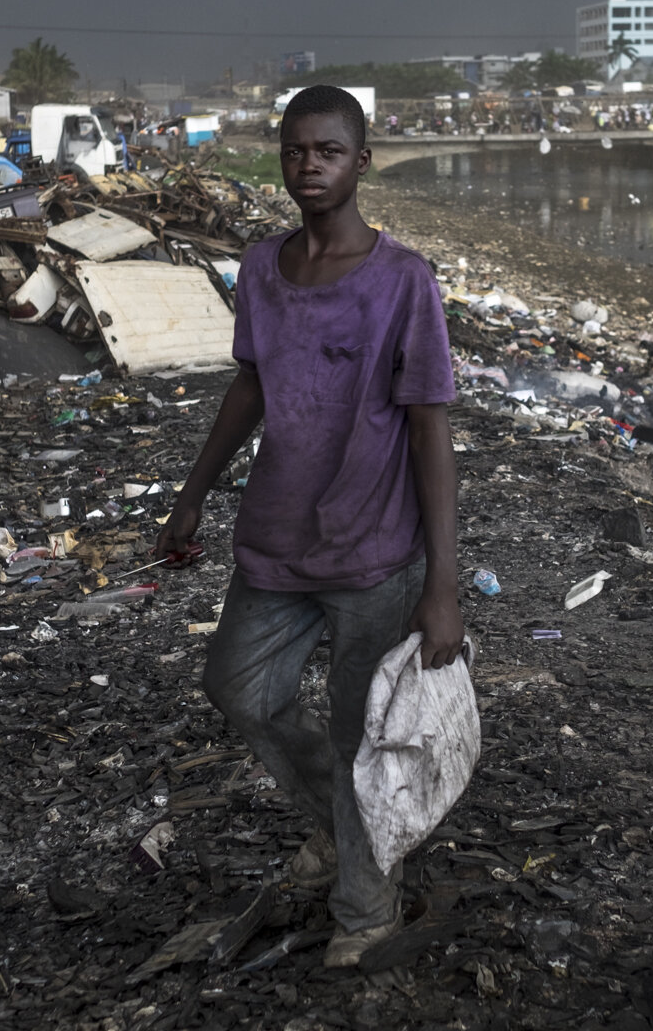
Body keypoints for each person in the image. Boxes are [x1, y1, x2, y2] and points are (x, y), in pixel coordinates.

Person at [154, 85, 464, 969]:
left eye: (328, 150)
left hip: (374, 551)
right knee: (241, 689)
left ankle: (365, 912)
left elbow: (429, 428)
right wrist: (193, 492)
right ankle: (345, 820)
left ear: (361, 162)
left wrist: (442, 585)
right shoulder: (261, 268)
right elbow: (250, 385)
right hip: (278, 538)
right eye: (295, 150)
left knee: (358, 734)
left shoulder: (402, 282)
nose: (309, 165)